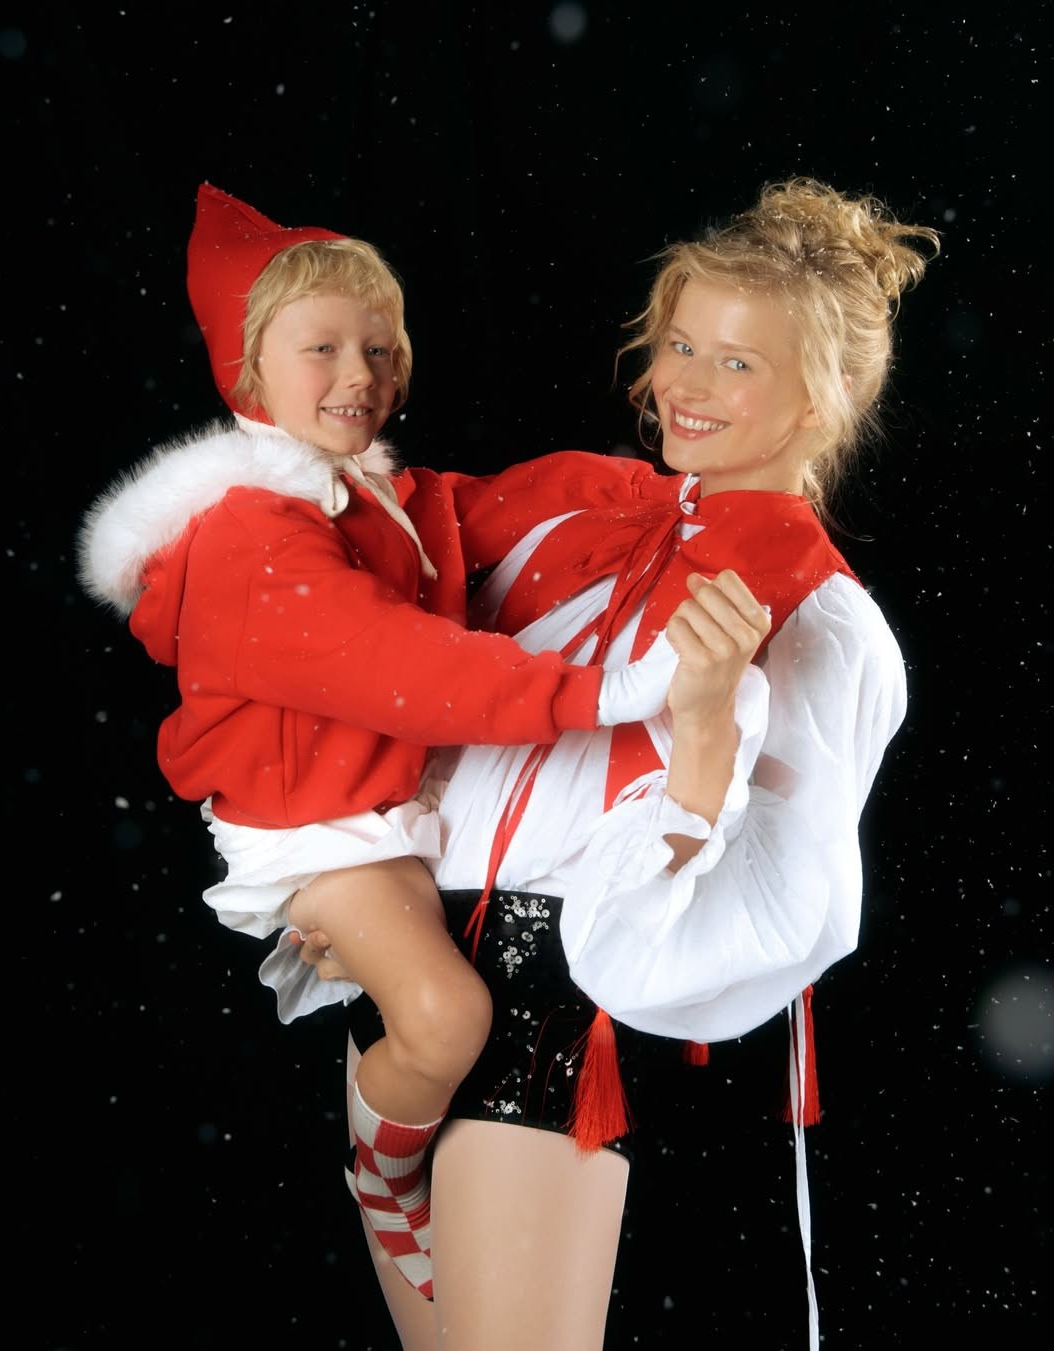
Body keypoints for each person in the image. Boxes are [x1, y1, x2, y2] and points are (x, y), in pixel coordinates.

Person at [289, 177, 940, 1350]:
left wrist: (705, 727)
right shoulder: (560, 512)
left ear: (823, 397)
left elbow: (778, 906)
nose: (688, 384)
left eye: (737, 363)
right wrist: (345, 871)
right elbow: (376, 673)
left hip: (564, 1010)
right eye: (681, 344)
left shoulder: (824, 624)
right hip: (410, 974)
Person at [75, 183, 680, 1300]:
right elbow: (403, 665)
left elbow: (486, 507)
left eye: (381, 348)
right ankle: (382, 1173)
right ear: (248, 372)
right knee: (447, 1016)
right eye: (322, 349)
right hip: (309, 829)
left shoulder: (365, 494)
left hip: (371, 809)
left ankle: (397, 1145)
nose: (359, 374)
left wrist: (651, 497)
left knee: (448, 997)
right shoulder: (251, 537)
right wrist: (603, 692)